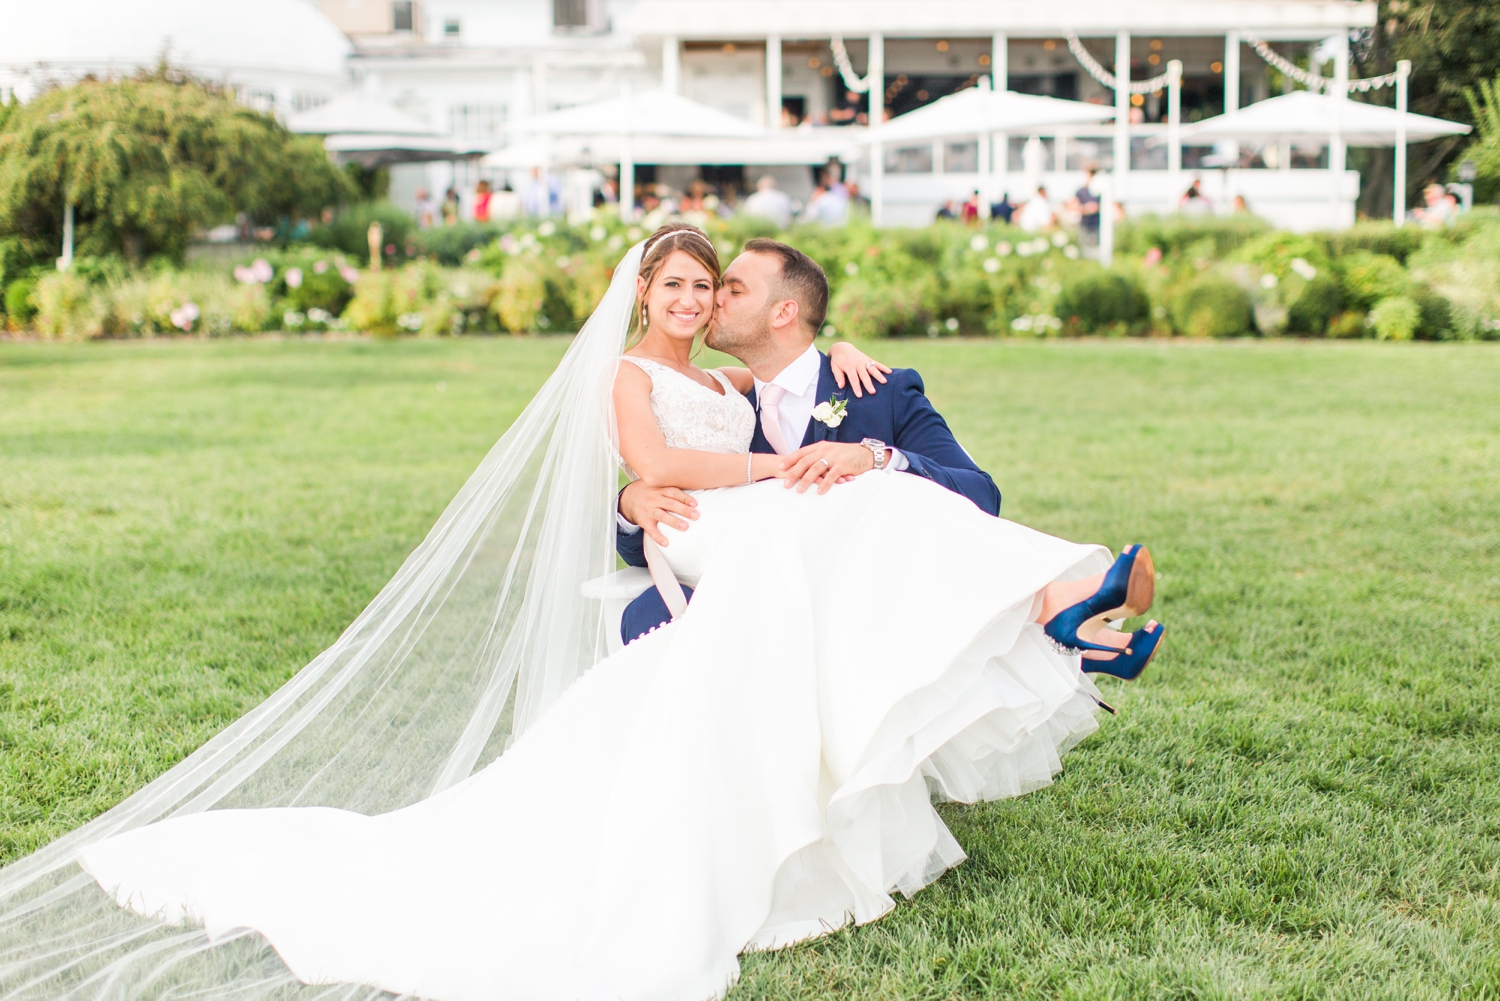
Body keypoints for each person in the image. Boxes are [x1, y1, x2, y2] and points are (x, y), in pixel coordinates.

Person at [46, 225, 1164, 1001]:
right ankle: (1063, 601)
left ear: (756, 306)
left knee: (866, 492)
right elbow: (665, 463)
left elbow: (790, 422)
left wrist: (853, 406)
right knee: (840, 502)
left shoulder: (764, 379)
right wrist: (663, 488)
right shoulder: (631, 375)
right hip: (703, 530)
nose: (694, 302)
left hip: (759, 521)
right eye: (679, 289)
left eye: (709, 288)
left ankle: (1067, 598)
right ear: (644, 295)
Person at [1074, 169, 1101, 244]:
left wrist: (1096, 207)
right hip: (1085, 223)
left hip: (1097, 224)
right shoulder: (1081, 192)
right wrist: (1087, 208)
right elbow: (1074, 207)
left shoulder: (1100, 192)